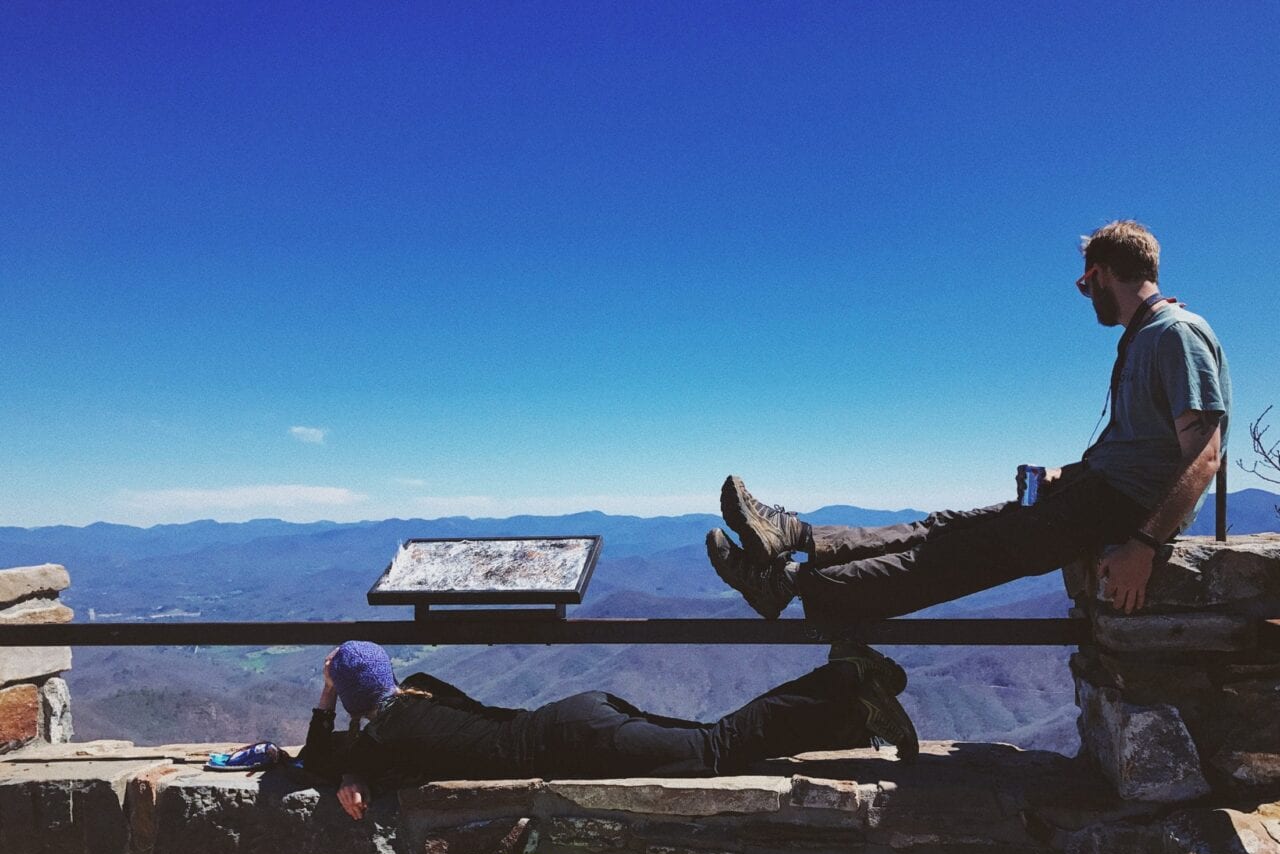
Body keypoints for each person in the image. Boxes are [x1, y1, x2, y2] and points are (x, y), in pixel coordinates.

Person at [707, 221, 1231, 626]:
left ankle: (789, 584)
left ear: (1100, 273)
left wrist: (1141, 545)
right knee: (944, 528)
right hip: (1094, 494)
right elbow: (1143, 446)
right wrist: (1062, 476)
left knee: (951, 555)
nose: (1084, 295)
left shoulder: (1175, 333)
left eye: (1082, 283)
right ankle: (791, 535)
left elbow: (1205, 453)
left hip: (1117, 510)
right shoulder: (1148, 336)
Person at [304, 640, 918, 820]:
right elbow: (371, 749)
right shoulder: (421, 688)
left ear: (353, 698)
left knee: (719, 747)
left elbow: (314, 763)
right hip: (576, 716)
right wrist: (359, 764)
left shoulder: (382, 739)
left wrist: (329, 697)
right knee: (720, 745)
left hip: (578, 744)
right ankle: (856, 708)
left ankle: (845, 677)